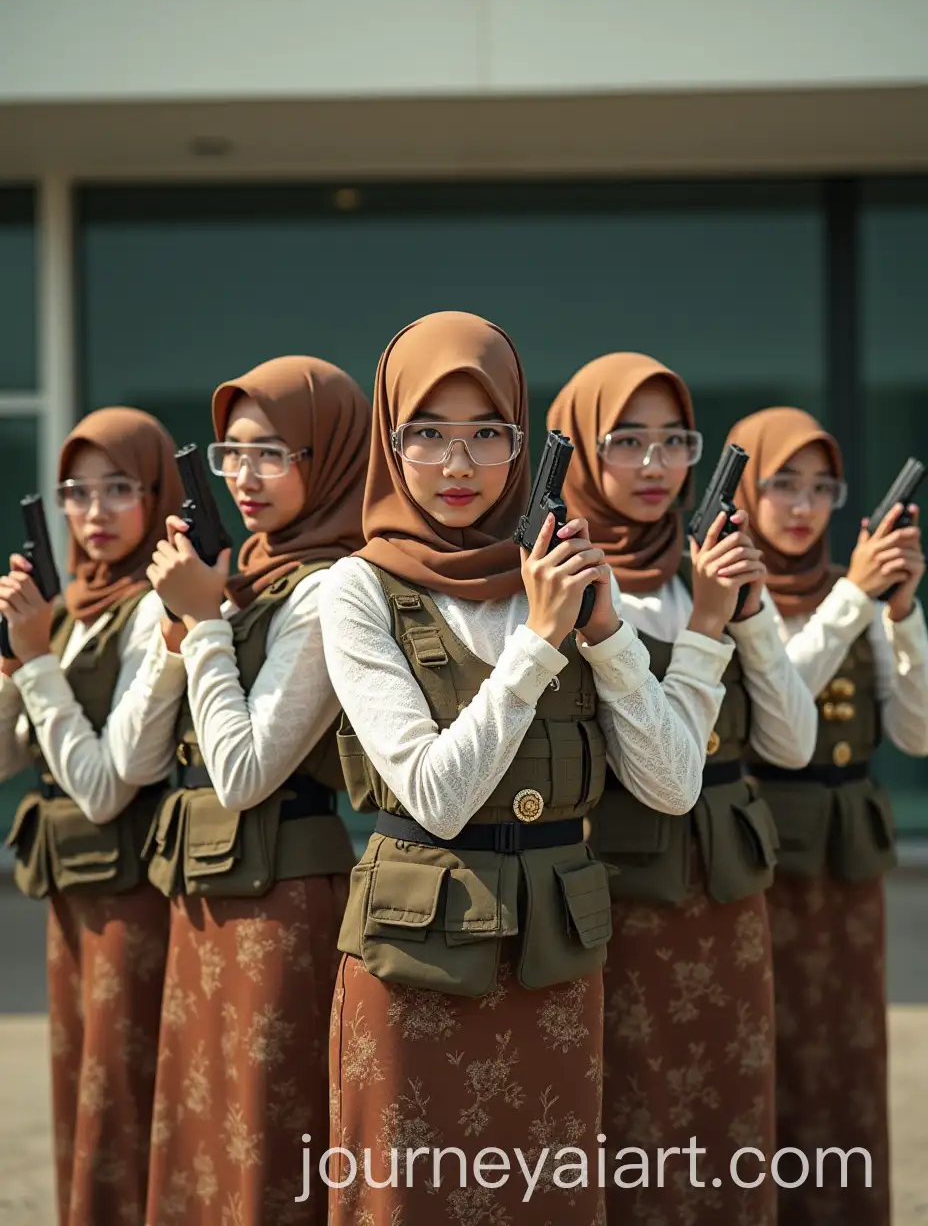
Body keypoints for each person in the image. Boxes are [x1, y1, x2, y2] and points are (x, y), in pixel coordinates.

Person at [319, 312, 737, 1225]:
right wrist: (542, 644)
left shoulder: (562, 571)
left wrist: (608, 635)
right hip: (416, 959)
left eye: (486, 435)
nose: (457, 464)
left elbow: (672, 785)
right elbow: (434, 796)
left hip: (553, 957)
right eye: (424, 434)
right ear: (390, 448)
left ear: (521, 441)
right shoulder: (356, 588)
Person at [548, 355, 818, 1226]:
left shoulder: (709, 567)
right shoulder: (561, 586)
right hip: (618, 893)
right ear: (580, 452)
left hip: (726, 894)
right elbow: (643, 765)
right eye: (627, 441)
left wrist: (746, 613)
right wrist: (705, 623)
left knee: (727, 1114)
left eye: (675, 441)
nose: (656, 464)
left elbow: (793, 740)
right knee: (628, 1117)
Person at [110, 356, 370, 1226]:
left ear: (329, 457)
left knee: (267, 1134)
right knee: (200, 1136)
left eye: (273, 454)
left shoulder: (336, 585)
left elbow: (248, 770)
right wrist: (177, 622)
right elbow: (146, 758)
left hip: (281, 905)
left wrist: (208, 623)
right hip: (200, 893)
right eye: (231, 453)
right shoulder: (235, 567)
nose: (245, 477)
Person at [727, 406, 928, 1226]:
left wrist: (902, 611)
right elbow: (782, 710)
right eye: (783, 484)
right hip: (767, 852)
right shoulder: (730, 589)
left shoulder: (856, 593)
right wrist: (854, 595)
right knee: (770, 1052)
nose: (804, 506)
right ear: (745, 490)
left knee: (847, 1047)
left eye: (821, 487)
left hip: (851, 856)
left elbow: (916, 731)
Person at [0, 408, 183, 1226]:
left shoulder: (155, 607)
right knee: (80, 1098)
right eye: (77, 491)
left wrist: (39, 660)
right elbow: (7, 758)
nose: (95, 512)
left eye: (120, 488)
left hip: (133, 897)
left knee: (120, 1106)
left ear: (159, 495)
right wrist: (17, 657)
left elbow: (105, 785)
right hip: (73, 891)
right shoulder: (72, 606)